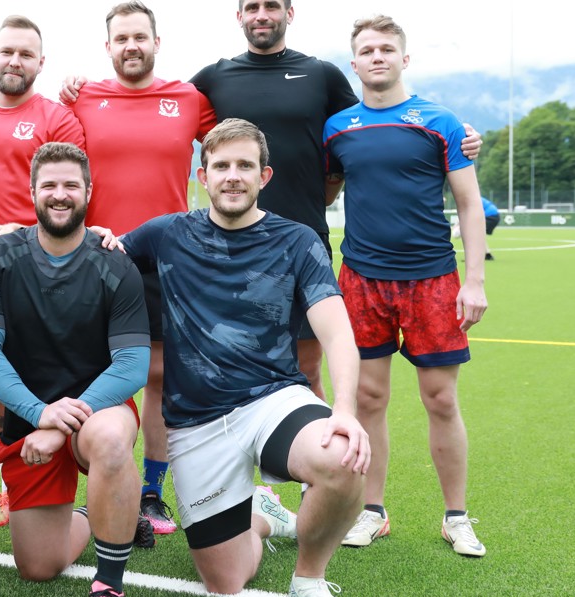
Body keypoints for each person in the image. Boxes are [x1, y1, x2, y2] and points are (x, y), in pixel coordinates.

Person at [181, 0, 482, 400]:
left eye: (272, 6)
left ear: (290, 14)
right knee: (227, 364)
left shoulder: (321, 75)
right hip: (234, 246)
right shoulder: (214, 77)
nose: (262, 14)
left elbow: (372, 125)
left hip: (304, 242)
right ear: (239, 17)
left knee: (307, 370)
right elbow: (160, 109)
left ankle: (309, 461)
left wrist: (458, 136)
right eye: (252, 7)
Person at [122, 119, 368, 597]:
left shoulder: (298, 241)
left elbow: (337, 332)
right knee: (226, 582)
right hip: (195, 423)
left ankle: (309, 577)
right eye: (221, 166)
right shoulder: (167, 234)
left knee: (341, 456)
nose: (232, 175)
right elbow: (95, 252)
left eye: (244, 166)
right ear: (202, 176)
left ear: (264, 177)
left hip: (273, 399)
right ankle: (262, 520)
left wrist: (345, 411)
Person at [323, 15, 488, 558]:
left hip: (433, 282)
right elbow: (323, 190)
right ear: (354, 63)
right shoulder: (338, 127)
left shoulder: (440, 121)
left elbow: (469, 203)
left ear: (404, 58)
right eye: (367, 50)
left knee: (440, 399)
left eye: (386, 48)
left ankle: (457, 517)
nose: (377, 56)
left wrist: (475, 281)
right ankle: (372, 511)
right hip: (362, 280)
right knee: (368, 397)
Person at [53, 1, 218, 537]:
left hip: (168, 259)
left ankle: (151, 493)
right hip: (96, 257)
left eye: (139, 37)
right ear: (108, 47)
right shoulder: (82, 98)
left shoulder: (190, 99)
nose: (131, 46)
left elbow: (234, 143)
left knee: (161, 380)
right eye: (120, 38)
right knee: (91, 376)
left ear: (156, 41)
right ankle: (90, 491)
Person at [0, 142, 150, 597]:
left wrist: (64, 420)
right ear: (32, 192)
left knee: (108, 440)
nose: (60, 194)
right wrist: (39, 413)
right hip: (30, 420)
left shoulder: (115, 262)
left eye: (71, 184)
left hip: (101, 408)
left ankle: (109, 583)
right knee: (38, 567)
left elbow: (133, 364)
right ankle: (99, 513)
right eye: (49, 185)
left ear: (89, 190)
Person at [0, 14, 86, 529]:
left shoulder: (57, 118)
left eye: (26, 54)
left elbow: (68, 194)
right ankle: (9, 487)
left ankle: (59, 481)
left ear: (40, 63)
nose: (15, 61)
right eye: (7, 51)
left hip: (42, 269)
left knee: (42, 376)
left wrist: (17, 229)